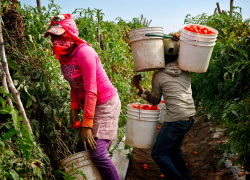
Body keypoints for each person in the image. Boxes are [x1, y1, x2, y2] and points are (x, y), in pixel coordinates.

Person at [44, 14, 121, 180]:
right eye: (53, 36)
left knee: (98, 153)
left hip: (105, 103)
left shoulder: (84, 53)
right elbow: (74, 83)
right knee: (82, 148)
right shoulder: (63, 56)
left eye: (60, 35)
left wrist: (86, 126)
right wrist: (74, 108)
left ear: (71, 34)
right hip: (89, 104)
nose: (56, 40)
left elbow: (91, 90)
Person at [133, 34, 196, 180]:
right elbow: (187, 52)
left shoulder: (158, 75)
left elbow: (155, 101)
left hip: (176, 120)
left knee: (158, 153)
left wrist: (138, 86)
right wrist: (179, 40)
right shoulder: (185, 70)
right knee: (173, 150)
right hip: (190, 118)